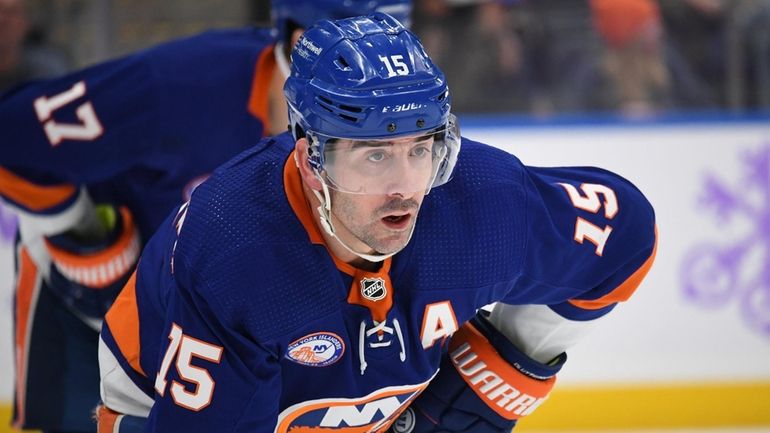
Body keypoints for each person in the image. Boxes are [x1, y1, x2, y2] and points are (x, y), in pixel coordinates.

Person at [97, 12, 657, 433]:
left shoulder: (481, 204)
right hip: (160, 399)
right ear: (311, 156)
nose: (404, 187)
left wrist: (483, 397)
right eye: (373, 155)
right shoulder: (237, 246)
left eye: (420, 150)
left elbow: (627, 236)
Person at [0, 1, 411, 432]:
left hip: (224, 333)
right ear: (294, 35)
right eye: (347, 51)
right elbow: (14, 136)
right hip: (89, 323)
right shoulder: (177, 86)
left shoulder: (406, 139)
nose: (371, 78)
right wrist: (81, 235)